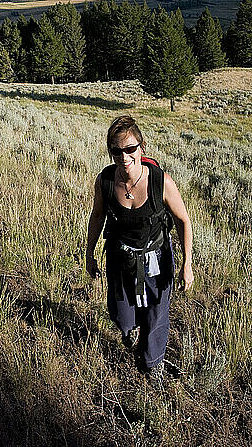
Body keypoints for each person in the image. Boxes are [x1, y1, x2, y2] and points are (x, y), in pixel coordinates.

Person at [86, 115, 194, 380]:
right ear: (111, 152)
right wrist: (89, 254)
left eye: (130, 149)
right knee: (121, 315)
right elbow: (97, 216)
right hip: (120, 258)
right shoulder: (106, 181)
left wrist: (187, 263)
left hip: (157, 257)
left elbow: (182, 220)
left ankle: (151, 363)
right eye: (117, 150)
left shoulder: (161, 182)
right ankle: (130, 329)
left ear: (142, 147)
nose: (124, 156)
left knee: (156, 314)